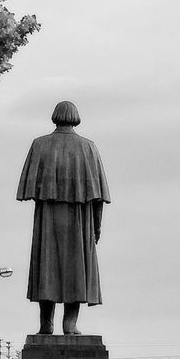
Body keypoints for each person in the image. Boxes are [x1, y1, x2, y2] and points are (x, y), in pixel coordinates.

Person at [17, 101, 110, 335]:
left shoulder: (39, 145)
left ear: (55, 116)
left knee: (46, 267)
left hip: (48, 220)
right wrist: (96, 228)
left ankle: (45, 323)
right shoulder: (88, 147)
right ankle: (70, 323)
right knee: (75, 269)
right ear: (76, 117)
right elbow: (98, 197)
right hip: (79, 222)